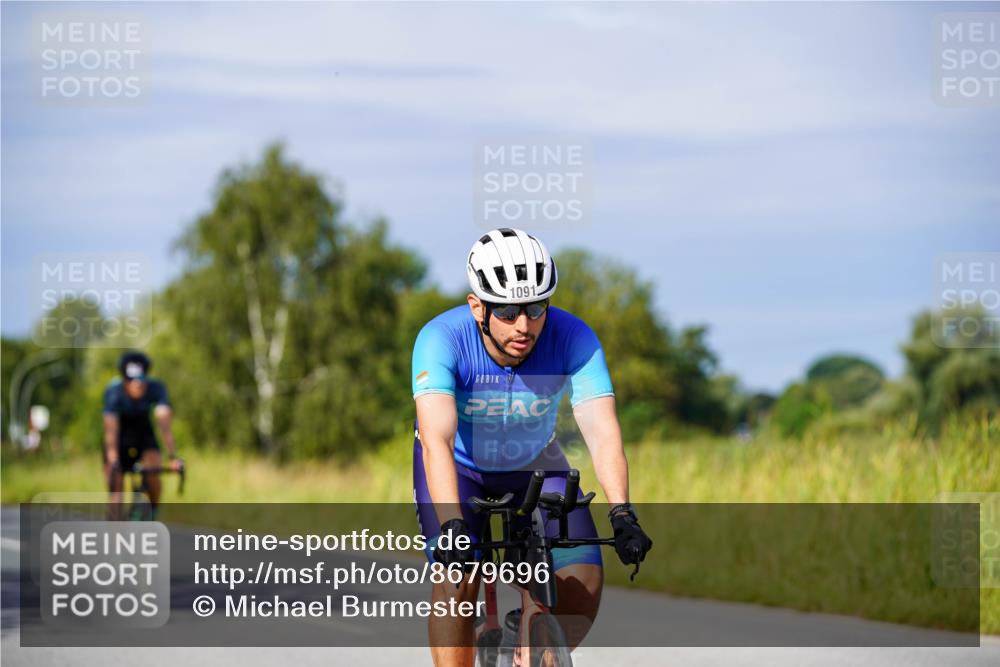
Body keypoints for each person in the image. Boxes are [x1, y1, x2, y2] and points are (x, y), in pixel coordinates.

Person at [412, 228, 653, 667]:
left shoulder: (574, 337)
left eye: (537, 307)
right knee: (456, 579)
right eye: (506, 311)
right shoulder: (440, 340)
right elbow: (437, 441)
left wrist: (622, 511)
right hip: (460, 469)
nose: (524, 325)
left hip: (536, 464)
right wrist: (452, 525)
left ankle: (529, 648)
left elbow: (601, 429)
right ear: (477, 307)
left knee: (584, 581)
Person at [103, 351, 180, 519]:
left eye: (141, 380)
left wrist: (173, 456)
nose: (137, 384)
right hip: (119, 438)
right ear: (124, 379)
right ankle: (114, 535)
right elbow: (111, 432)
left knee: (153, 467)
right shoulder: (113, 392)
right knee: (116, 489)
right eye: (131, 381)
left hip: (143, 433)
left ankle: (152, 511)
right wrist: (113, 460)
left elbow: (164, 425)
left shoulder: (156, 388)